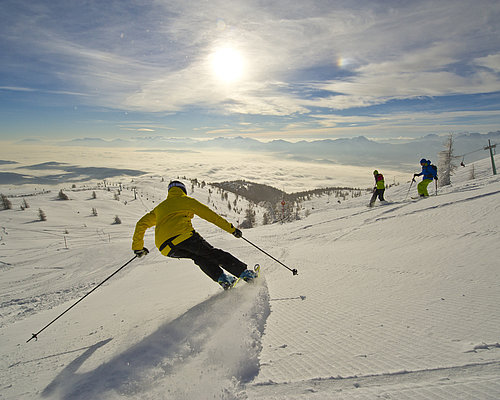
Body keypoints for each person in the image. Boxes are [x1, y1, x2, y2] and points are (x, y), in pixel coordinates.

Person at [131, 180, 257, 289]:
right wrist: (232, 230)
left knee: (199, 257)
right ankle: (244, 273)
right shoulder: (186, 201)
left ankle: (223, 279)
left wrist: (138, 248)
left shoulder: (159, 208)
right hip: (185, 237)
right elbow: (211, 216)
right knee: (212, 253)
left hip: (166, 248)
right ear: (183, 190)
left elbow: (140, 224)